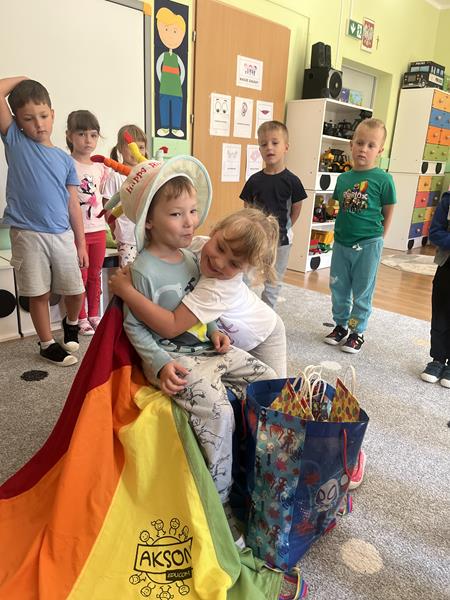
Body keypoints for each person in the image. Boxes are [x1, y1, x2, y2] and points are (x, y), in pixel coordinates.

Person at [119, 157, 276, 548]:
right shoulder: (142, 270)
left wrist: (217, 330)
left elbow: (202, 307)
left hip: (208, 348)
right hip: (177, 357)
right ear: (149, 221)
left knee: (270, 380)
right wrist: (159, 364)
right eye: (176, 214)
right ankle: (219, 503)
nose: (189, 222)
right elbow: (135, 326)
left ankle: (259, 471)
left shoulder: (194, 258)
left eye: (192, 212)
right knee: (219, 411)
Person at [109, 207, 287, 378]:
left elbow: (172, 326)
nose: (219, 262)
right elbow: (161, 255)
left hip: (264, 334)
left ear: (245, 270)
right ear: (214, 231)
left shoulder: (219, 288)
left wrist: (127, 291)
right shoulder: (197, 245)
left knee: (275, 391)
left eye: (233, 264)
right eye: (220, 248)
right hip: (221, 337)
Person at [0, 76, 87, 366]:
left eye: (43, 116)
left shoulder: (64, 160)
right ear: (17, 121)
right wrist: (23, 79)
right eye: (28, 118)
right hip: (27, 234)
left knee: (75, 289)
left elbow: (73, 204)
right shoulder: (15, 140)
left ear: (53, 113)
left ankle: (71, 324)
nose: (38, 124)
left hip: (62, 234)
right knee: (39, 293)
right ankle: (47, 343)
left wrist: (81, 243)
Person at [324, 117, 397, 354]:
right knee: (339, 286)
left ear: (380, 151)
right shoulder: (344, 178)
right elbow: (338, 206)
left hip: (368, 244)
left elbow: (388, 210)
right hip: (342, 242)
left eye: (371, 145)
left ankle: (357, 332)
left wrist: (380, 237)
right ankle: (340, 326)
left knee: (363, 290)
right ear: (351, 144)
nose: (363, 149)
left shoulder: (383, 179)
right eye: (359, 143)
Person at [240, 120, 307, 308]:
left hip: (282, 242)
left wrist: (285, 227)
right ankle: (242, 309)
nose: (269, 147)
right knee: (246, 276)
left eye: (275, 143)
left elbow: (296, 208)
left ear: (286, 147)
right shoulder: (254, 181)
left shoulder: (293, 181)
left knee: (273, 281)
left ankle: (267, 313)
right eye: (263, 144)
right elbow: (247, 208)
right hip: (256, 238)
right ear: (259, 149)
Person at [66, 110, 108, 335]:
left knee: (95, 275)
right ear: (69, 135)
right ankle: (80, 317)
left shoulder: (100, 167)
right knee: (79, 276)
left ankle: (94, 314)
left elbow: (105, 196)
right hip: (77, 232)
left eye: (93, 135)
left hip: (99, 230)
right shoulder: (67, 163)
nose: (88, 140)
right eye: (81, 134)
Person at [102, 124, 148, 267]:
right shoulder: (116, 177)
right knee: (128, 273)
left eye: (141, 147)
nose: (136, 151)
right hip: (126, 238)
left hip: (147, 237)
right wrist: (113, 228)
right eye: (131, 147)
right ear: (120, 148)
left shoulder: (147, 174)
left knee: (145, 272)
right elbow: (107, 205)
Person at [420, 191, 450, 387]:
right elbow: (435, 232)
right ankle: (438, 359)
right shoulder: (448, 200)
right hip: (447, 267)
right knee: (440, 313)